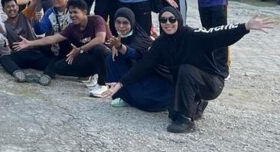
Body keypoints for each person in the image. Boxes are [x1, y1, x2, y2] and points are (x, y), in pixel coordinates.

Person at [104, 7, 273, 133]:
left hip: (212, 82)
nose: (168, 23)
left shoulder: (193, 35)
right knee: (172, 112)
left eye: (172, 19)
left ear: (178, 19)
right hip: (187, 82)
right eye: (163, 20)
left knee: (185, 69)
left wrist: (245, 26)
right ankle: (196, 105)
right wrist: (120, 84)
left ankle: (186, 120)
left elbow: (219, 34)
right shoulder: (161, 44)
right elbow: (143, 66)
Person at [13, 0, 111, 94]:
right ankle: (90, 74)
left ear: (84, 12)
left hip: (108, 58)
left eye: (75, 12)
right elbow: (53, 38)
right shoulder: (72, 27)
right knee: (58, 67)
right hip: (89, 57)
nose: (72, 15)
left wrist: (80, 49)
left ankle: (103, 85)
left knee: (99, 49)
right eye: (70, 12)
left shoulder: (96, 20)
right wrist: (30, 43)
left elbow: (100, 39)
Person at [103, 7, 171, 110]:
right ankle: (122, 96)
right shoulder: (119, 36)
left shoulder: (140, 38)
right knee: (111, 58)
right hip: (132, 76)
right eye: (118, 22)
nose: (121, 26)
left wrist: (120, 47)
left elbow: (136, 54)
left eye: (125, 23)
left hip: (150, 76)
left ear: (132, 22)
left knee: (145, 102)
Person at [0, 0, 49, 82]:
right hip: (19, 56)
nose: (11, 9)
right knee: (4, 59)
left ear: (17, 6)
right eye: (8, 7)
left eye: (13, 6)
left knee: (53, 59)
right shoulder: (4, 24)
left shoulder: (25, 15)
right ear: (4, 9)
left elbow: (34, 2)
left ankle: (47, 76)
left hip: (35, 53)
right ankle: (18, 74)